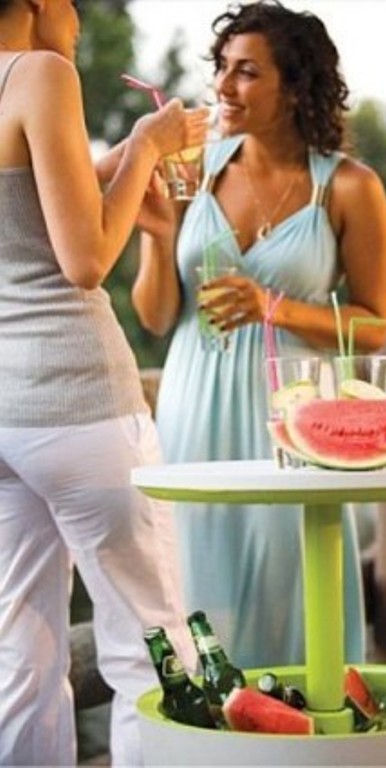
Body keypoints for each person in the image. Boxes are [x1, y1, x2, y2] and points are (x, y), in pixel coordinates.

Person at [133, 0, 386, 670]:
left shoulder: (348, 189)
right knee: (194, 593)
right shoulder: (195, 169)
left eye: (246, 72)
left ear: (295, 86)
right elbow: (159, 317)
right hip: (192, 409)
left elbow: (373, 326)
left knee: (291, 592)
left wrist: (272, 306)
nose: (222, 87)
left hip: (292, 420)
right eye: (221, 68)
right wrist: (157, 235)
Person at [0, 1, 208, 765]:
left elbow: (27, 201)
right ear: (36, 4)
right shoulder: (39, 71)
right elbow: (84, 257)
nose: (79, 20)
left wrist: (120, 156)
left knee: (21, 654)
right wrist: (151, 146)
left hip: (5, 417)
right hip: (78, 401)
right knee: (152, 647)